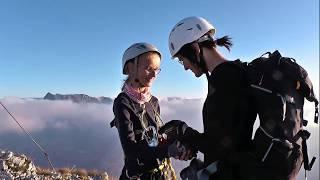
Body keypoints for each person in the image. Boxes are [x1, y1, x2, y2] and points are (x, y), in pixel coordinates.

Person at [161, 16, 257, 179]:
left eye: (181, 59)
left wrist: (183, 131)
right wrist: (191, 140)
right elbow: (224, 137)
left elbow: (222, 147)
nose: (184, 66)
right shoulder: (231, 74)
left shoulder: (226, 79)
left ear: (195, 49)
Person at [111, 42, 191, 180]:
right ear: (130, 68)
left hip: (159, 173)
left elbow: (155, 138)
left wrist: (176, 143)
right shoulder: (123, 103)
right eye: (148, 68)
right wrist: (167, 151)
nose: (154, 74)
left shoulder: (153, 101)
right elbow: (131, 150)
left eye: (157, 69)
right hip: (138, 175)